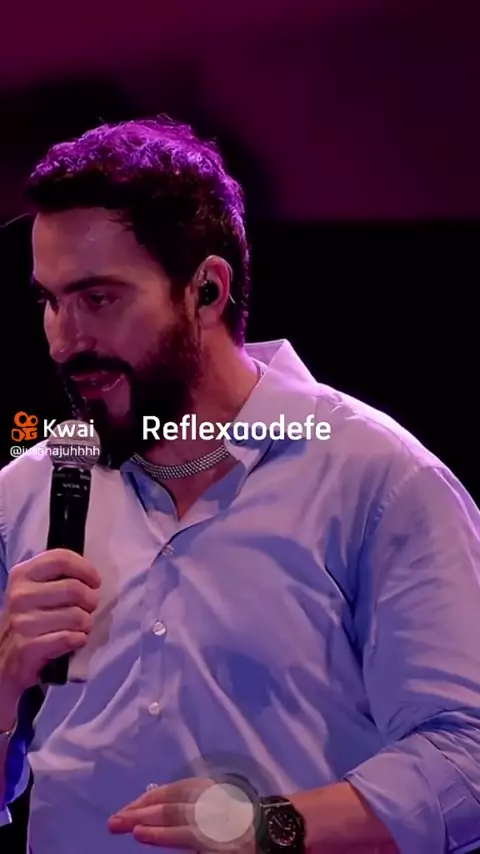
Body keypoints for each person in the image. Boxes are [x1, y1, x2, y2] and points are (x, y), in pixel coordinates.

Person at [0, 117, 480, 854]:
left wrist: (268, 826)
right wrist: (5, 681)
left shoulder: (377, 480)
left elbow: (466, 757)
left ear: (207, 289)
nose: (65, 341)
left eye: (98, 300)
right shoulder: (26, 491)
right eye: (50, 302)